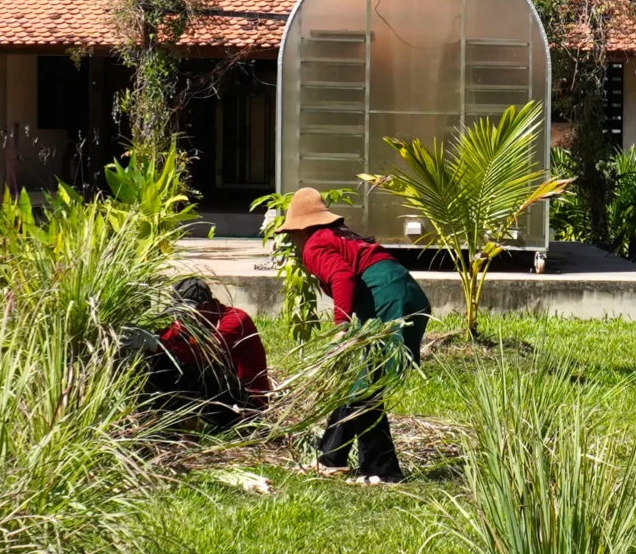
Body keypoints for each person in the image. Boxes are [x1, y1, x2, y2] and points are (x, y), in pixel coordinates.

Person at [280, 186, 430, 483]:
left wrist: (341, 327)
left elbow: (342, 276)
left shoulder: (314, 244)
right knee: (359, 382)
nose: (291, 241)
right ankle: (333, 458)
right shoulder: (338, 235)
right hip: (400, 294)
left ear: (302, 228)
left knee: (365, 385)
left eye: (291, 233)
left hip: (389, 301)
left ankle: (381, 471)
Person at [140, 278, 271, 429]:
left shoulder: (235, 321)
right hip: (220, 400)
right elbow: (165, 342)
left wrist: (157, 345)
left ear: (206, 306)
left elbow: (205, 353)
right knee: (162, 362)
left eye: (188, 313)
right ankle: (164, 424)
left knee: (193, 370)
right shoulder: (187, 324)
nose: (183, 319)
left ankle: (187, 431)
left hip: (246, 405)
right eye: (179, 314)